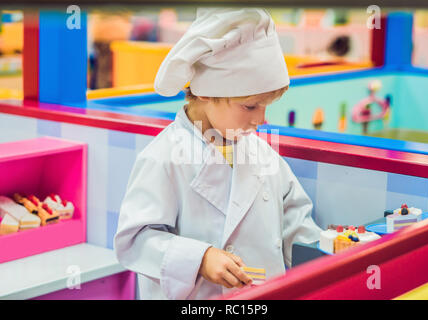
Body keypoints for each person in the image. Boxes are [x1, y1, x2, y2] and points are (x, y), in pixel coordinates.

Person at [114, 7, 322, 300]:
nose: (262, 119)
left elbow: (295, 220)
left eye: (266, 106)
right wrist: (200, 258)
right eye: (251, 106)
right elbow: (134, 241)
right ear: (205, 92)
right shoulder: (164, 158)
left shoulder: (263, 154)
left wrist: (327, 248)